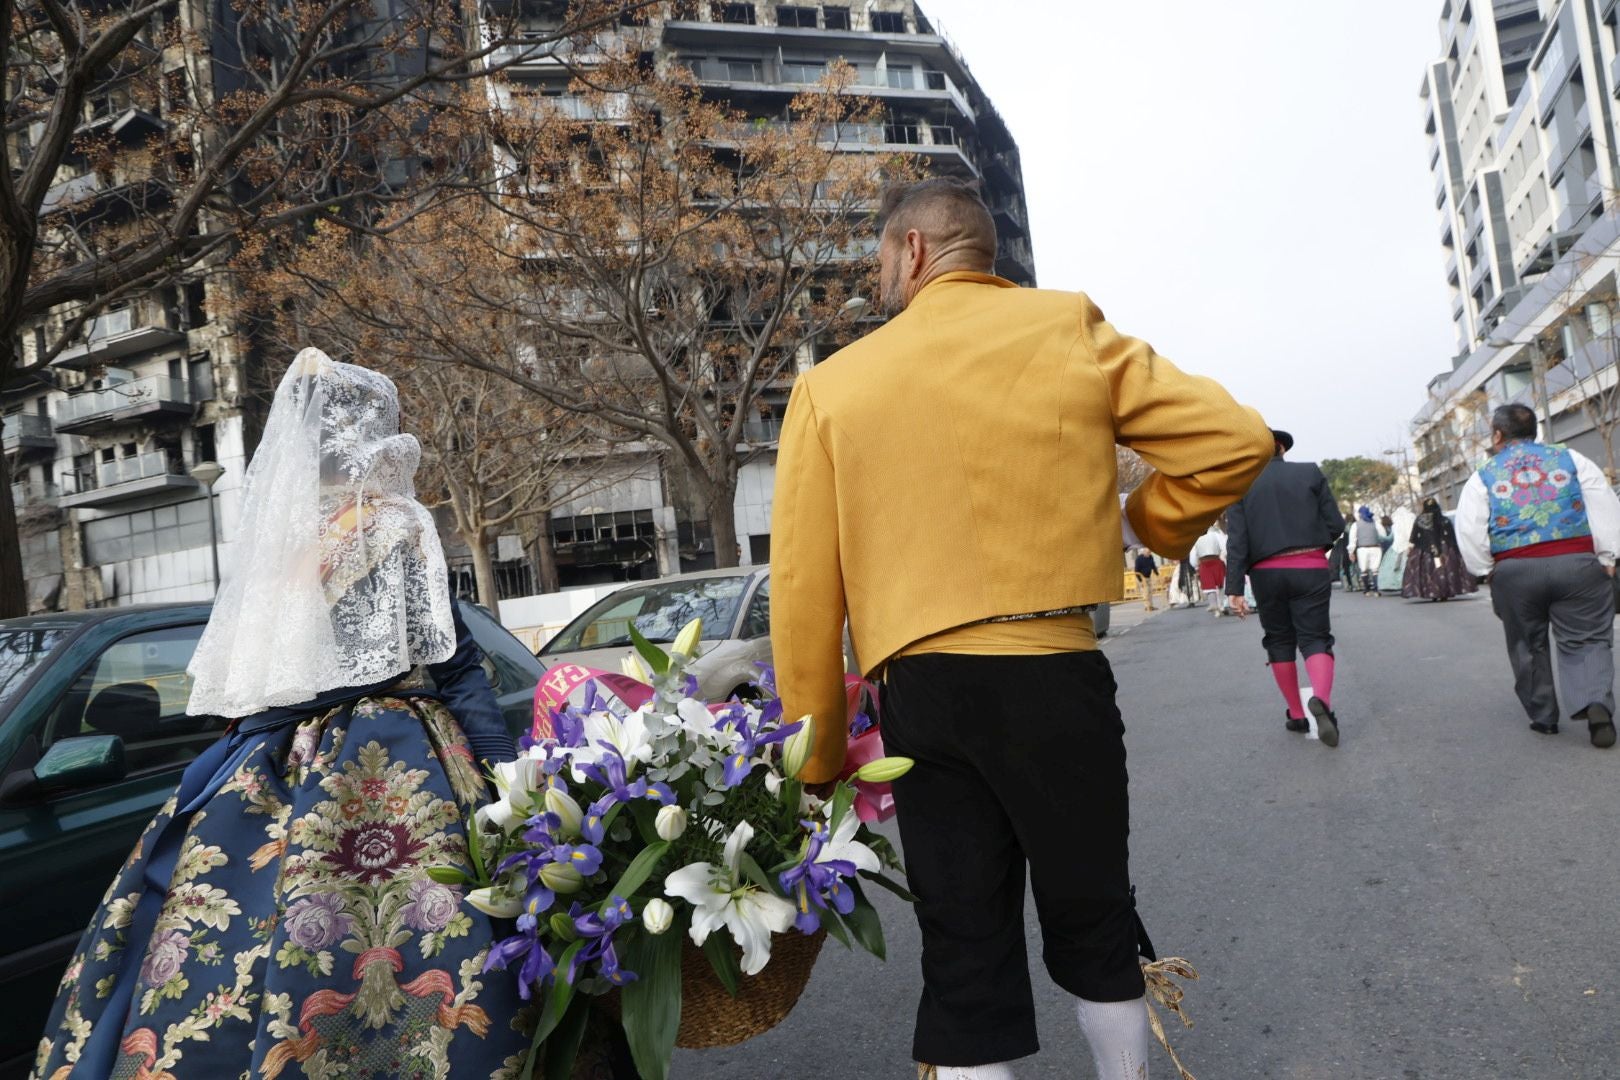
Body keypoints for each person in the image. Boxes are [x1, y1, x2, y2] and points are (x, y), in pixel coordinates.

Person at [768, 178, 1273, 1080]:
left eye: (882, 259)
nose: (878, 278)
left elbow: (806, 589)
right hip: (1055, 669)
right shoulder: (1067, 325)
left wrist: (816, 760)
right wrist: (1140, 524)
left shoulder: (831, 388)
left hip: (923, 692)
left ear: (915, 250)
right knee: (1093, 910)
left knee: (963, 940)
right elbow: (1233, 440)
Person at [31, 352, 529, 1078]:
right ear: (369, 432)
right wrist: (501, 769)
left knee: (237, 932)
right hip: (400, 757)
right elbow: (451, 662)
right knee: (433, 935)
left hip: (272, 760)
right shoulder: (396, 525)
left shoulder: (283, 550)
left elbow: (261, 685)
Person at [1454, 404, 1620, 747]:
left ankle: (1544, 717)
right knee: (1587, 637)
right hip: (1577, 563)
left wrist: (1486, 570)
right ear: (1536, 431)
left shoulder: (1483, 474)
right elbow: (1602, 503)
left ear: (1497, 435)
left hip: (1515, 570)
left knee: (1527, 643)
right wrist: (1607, 555)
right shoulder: (1571, 459)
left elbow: (1469, 529)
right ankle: (1595, 702)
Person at [1225, 430, 1347, 745]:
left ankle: (1296, 714)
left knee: (1279, 640)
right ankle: (1321, 700)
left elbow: (1237, 540)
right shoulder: (1309, 472)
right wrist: (1316, 545)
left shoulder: (1239, 486)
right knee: (1316, 638)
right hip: (1310, 568)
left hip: (1266, 574)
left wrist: (1234, 588)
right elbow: (1335, 523)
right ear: (1281, 449)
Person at [1402, 497, 1477, 601]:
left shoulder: (1420, 521)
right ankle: (1446, 592)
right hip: (1445, 550)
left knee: (1429, 571)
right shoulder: (1445, 520)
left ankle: (1432, 592)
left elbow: (1414, 537)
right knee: (1447, 569)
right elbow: (1452, 537)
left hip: (1426, 550)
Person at [1192, 522, 1228, 615]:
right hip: (1216, 561)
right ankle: (1221, 605)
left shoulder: (1196, 539)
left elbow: (1193, 557)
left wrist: (1196, 565)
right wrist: (1223, 557)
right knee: (1220, 585)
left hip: (1204, 564)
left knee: (1209, 585)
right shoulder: (1216, 534)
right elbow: (1224, 547)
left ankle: (1215, 605)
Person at [1352, 506, 1386, 594]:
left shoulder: (1356, 525)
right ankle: (1376, 588)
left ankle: (1367, 589)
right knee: (1375, 569)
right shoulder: (1376, 523)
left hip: (1362, 548)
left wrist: (1351, 551)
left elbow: (1353, 539)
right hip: (1375, 547)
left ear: (1360, 514)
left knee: (1363, 569)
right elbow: (1383, 535)